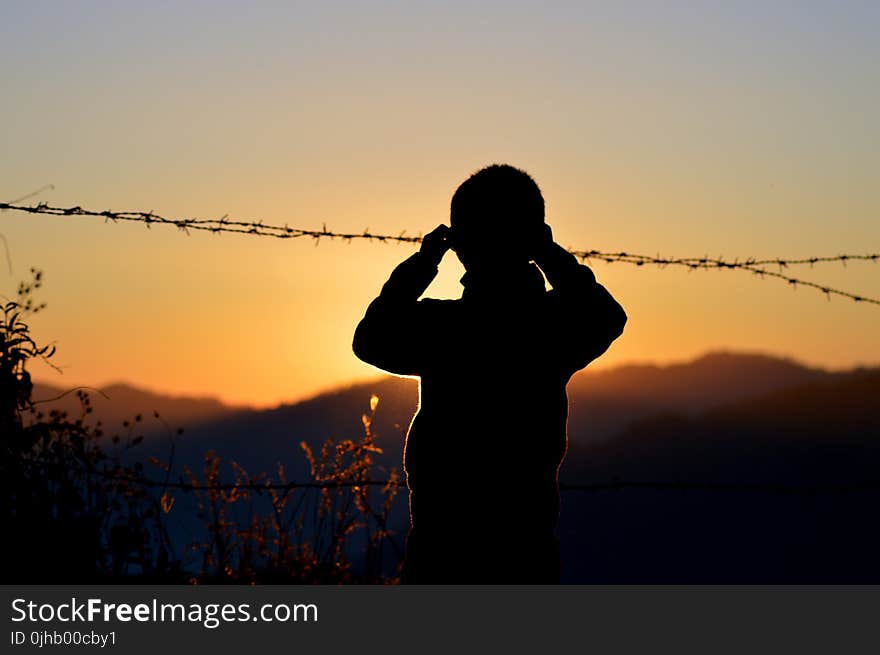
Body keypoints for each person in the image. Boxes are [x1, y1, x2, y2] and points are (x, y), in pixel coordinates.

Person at [353, 164, 626, 583]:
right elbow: (606, 317)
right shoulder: (551, 327)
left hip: (441, 553)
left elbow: (371, 339)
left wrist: (422, 265)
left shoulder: (442, 329)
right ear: (535, 237)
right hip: (525, 554)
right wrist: (552, 256)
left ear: (459, 245)